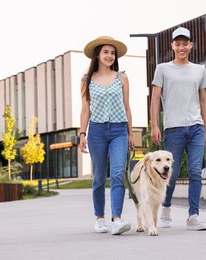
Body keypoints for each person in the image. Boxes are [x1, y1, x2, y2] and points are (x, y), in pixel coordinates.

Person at [150, 27, 206, 231]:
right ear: (172, 46)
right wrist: (155, 125)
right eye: (178, 43)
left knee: (195, 172)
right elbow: (155, 98)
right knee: (171, 174)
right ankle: (165, 207)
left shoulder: (200, 70)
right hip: (173, 128)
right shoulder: (163, 69)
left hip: (196, 127)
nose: (182, 47)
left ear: (191, 45)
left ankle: (193, 215)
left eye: (185, 43)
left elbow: (203, 100)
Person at [79, 36, 134, 235]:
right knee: (99, 177)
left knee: (118, 173)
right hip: (97, 132)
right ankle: (99, 218)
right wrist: (82, 133)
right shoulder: (87, 80)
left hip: (119, 130)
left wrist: (130, 133)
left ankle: (117, 219)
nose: (110, 56)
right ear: (98, 55)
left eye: (112, 53)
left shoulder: (122, 77)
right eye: (106, 52)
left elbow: (127, 107)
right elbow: (85, 110)